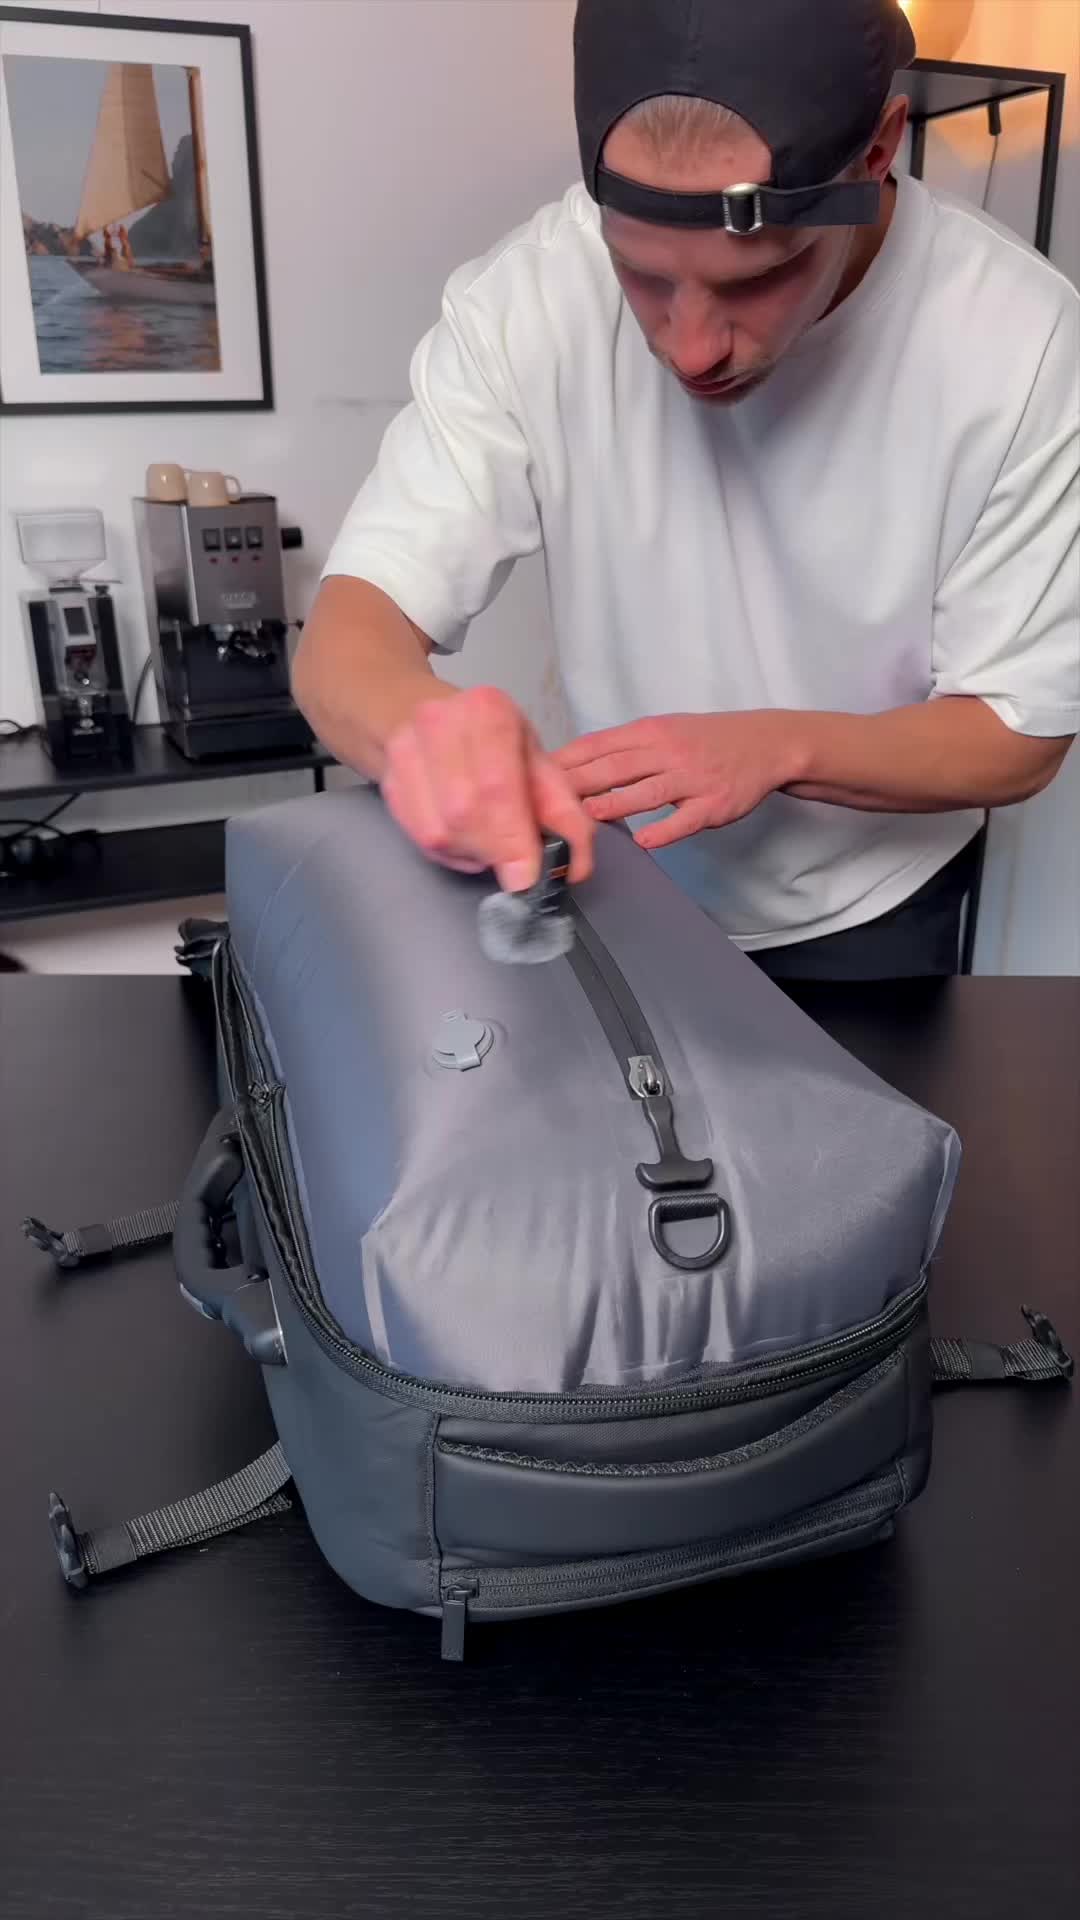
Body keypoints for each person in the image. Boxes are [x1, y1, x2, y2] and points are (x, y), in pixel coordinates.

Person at [294, 0, 1078, 981]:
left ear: (879, 151)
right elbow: (347, 639)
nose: (692, 347)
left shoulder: (1023, 345)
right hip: (623, 889)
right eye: (641, 273)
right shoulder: (526, 301)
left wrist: (780, 748)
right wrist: (420, 730)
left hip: (874, 905)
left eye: (756, 278)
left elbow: (1019, 736)